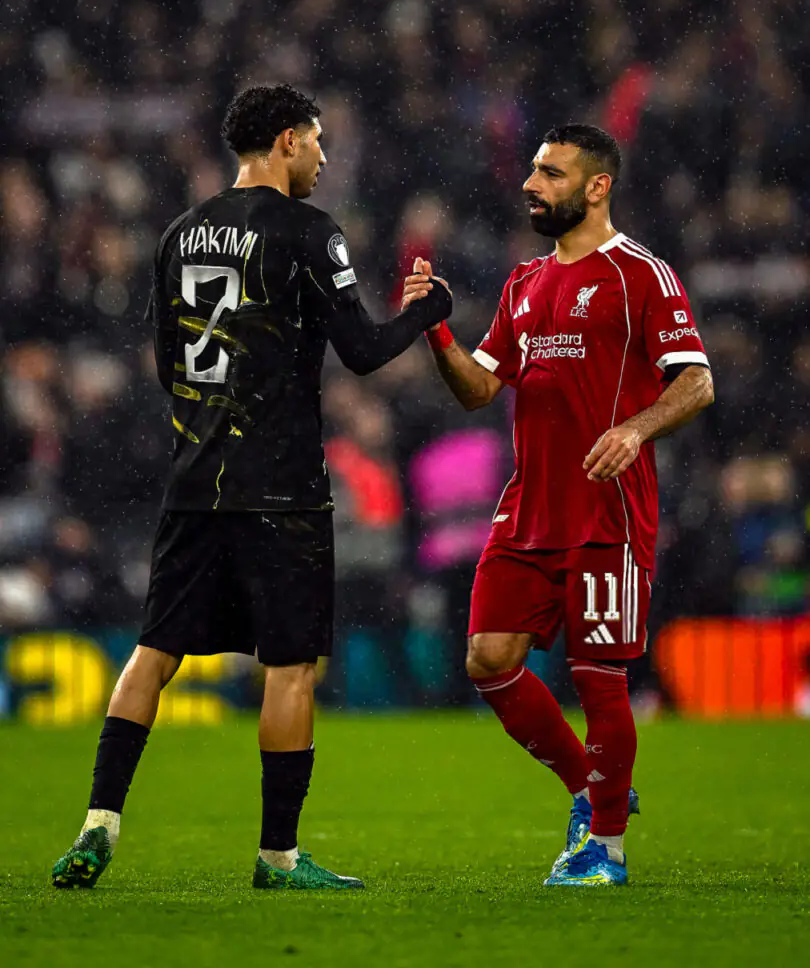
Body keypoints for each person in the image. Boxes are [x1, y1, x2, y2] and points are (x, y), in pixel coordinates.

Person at [51, 84, 452, 892]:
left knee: (153, 652)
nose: (323, 156)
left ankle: (99, 824)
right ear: (283, 142)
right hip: (281, 486)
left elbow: (170, 366)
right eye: (315, 140)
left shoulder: (178, 232)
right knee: (290, 665)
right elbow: (366, 351)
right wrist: (429, 311)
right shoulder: (308, 232)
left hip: (195, 479)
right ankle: (278, 857)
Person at [401, 124, 713, 886]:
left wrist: (637, 430)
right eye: (534, 170)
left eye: (551, 173)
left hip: (608, 509)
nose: (531, 184)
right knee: (488, 658)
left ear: (597, 186)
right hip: (528, 510)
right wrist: (434, 329)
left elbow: (697, 380)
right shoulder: (523, 283)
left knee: (598, 677)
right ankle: (592, 789)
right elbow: (479, 389)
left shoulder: (642, 274)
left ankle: (605, 849)